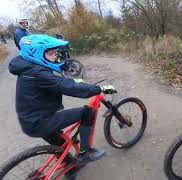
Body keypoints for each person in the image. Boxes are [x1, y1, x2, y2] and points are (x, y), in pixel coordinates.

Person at [8, 34, 115, 165]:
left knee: (61, 145)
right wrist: (99, 89)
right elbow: (63, 86)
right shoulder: (38, 73)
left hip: (30, 120)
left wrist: (75, 81)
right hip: (40, 121)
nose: (55, 57)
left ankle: (70, 167)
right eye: (51, 54)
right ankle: (85, 153)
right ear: (35, 54)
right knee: (88, 112)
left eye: (54, 53)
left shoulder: (27, 67)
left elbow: (55, 82)